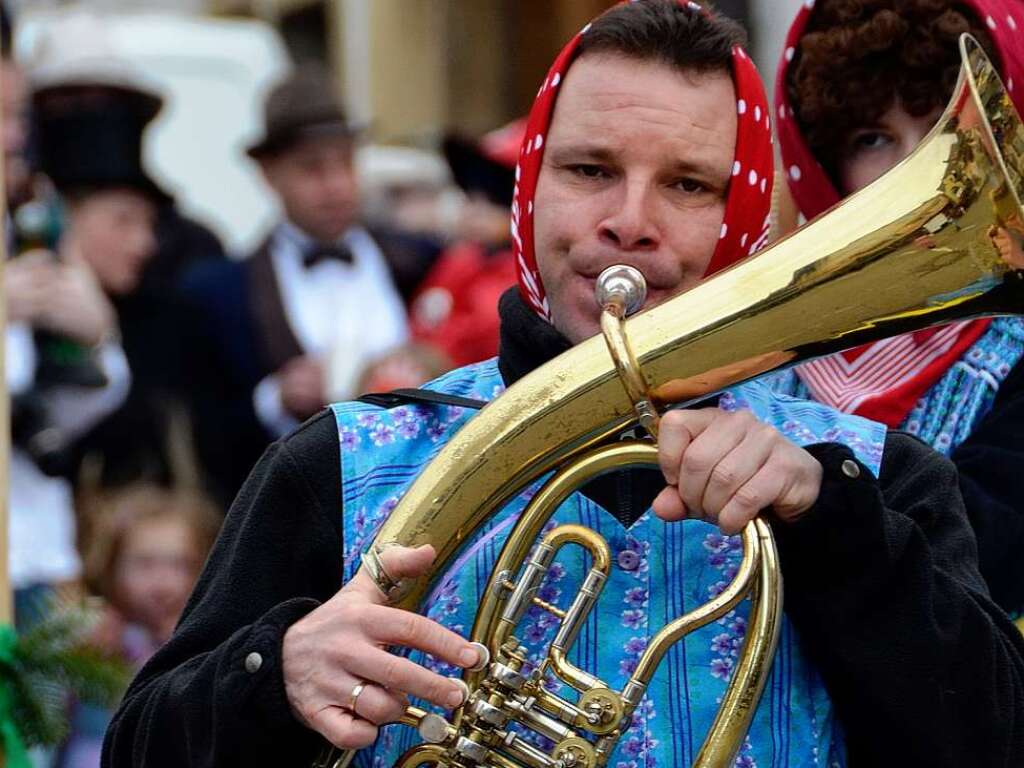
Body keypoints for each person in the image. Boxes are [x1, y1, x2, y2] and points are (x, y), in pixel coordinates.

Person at [103, 3, 1024, 767]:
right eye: (590, 171)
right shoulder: (336, 463)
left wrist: (837, 531)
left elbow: (993, 737)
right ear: (529, 193)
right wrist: (277, 675)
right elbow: (140, 747)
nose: (630, 222)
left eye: (690, 185)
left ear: (747, 218)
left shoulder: (873, 479)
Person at [771, 0, 1024, 617]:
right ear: (826, 167)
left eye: (948, 124)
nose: (921, 167)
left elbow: (991, 552)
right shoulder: (768, 342)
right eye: (873, 138)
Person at [180, 65, 409, 507]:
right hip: (298, 517)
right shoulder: (221, 292)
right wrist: (273, 399)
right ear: (268, 174)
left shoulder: (414, 261)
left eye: (345, 163)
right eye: (312, 169)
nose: (336, 185)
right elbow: (205, 437)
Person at [2, 3, 132, 622]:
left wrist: (97, 337)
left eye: (15, 115)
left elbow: (94, 398)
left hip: (38, 551)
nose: (13, 137)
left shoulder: (32, 224)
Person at [58, 485, 220, 768]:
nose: (163, 583)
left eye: (181, 564)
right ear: (110, 566)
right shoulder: (97, 630)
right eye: (144, 564)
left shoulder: (209, 639)